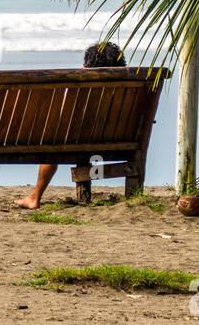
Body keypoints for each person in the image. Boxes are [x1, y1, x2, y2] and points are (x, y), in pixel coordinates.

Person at [14, 41, 127, 210]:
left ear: (86, 66)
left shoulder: (81, 88)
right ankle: (133, 193)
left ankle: (35, 197)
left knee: (53, 141)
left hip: (75, 143)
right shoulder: (129, 87)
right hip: (122, 142)